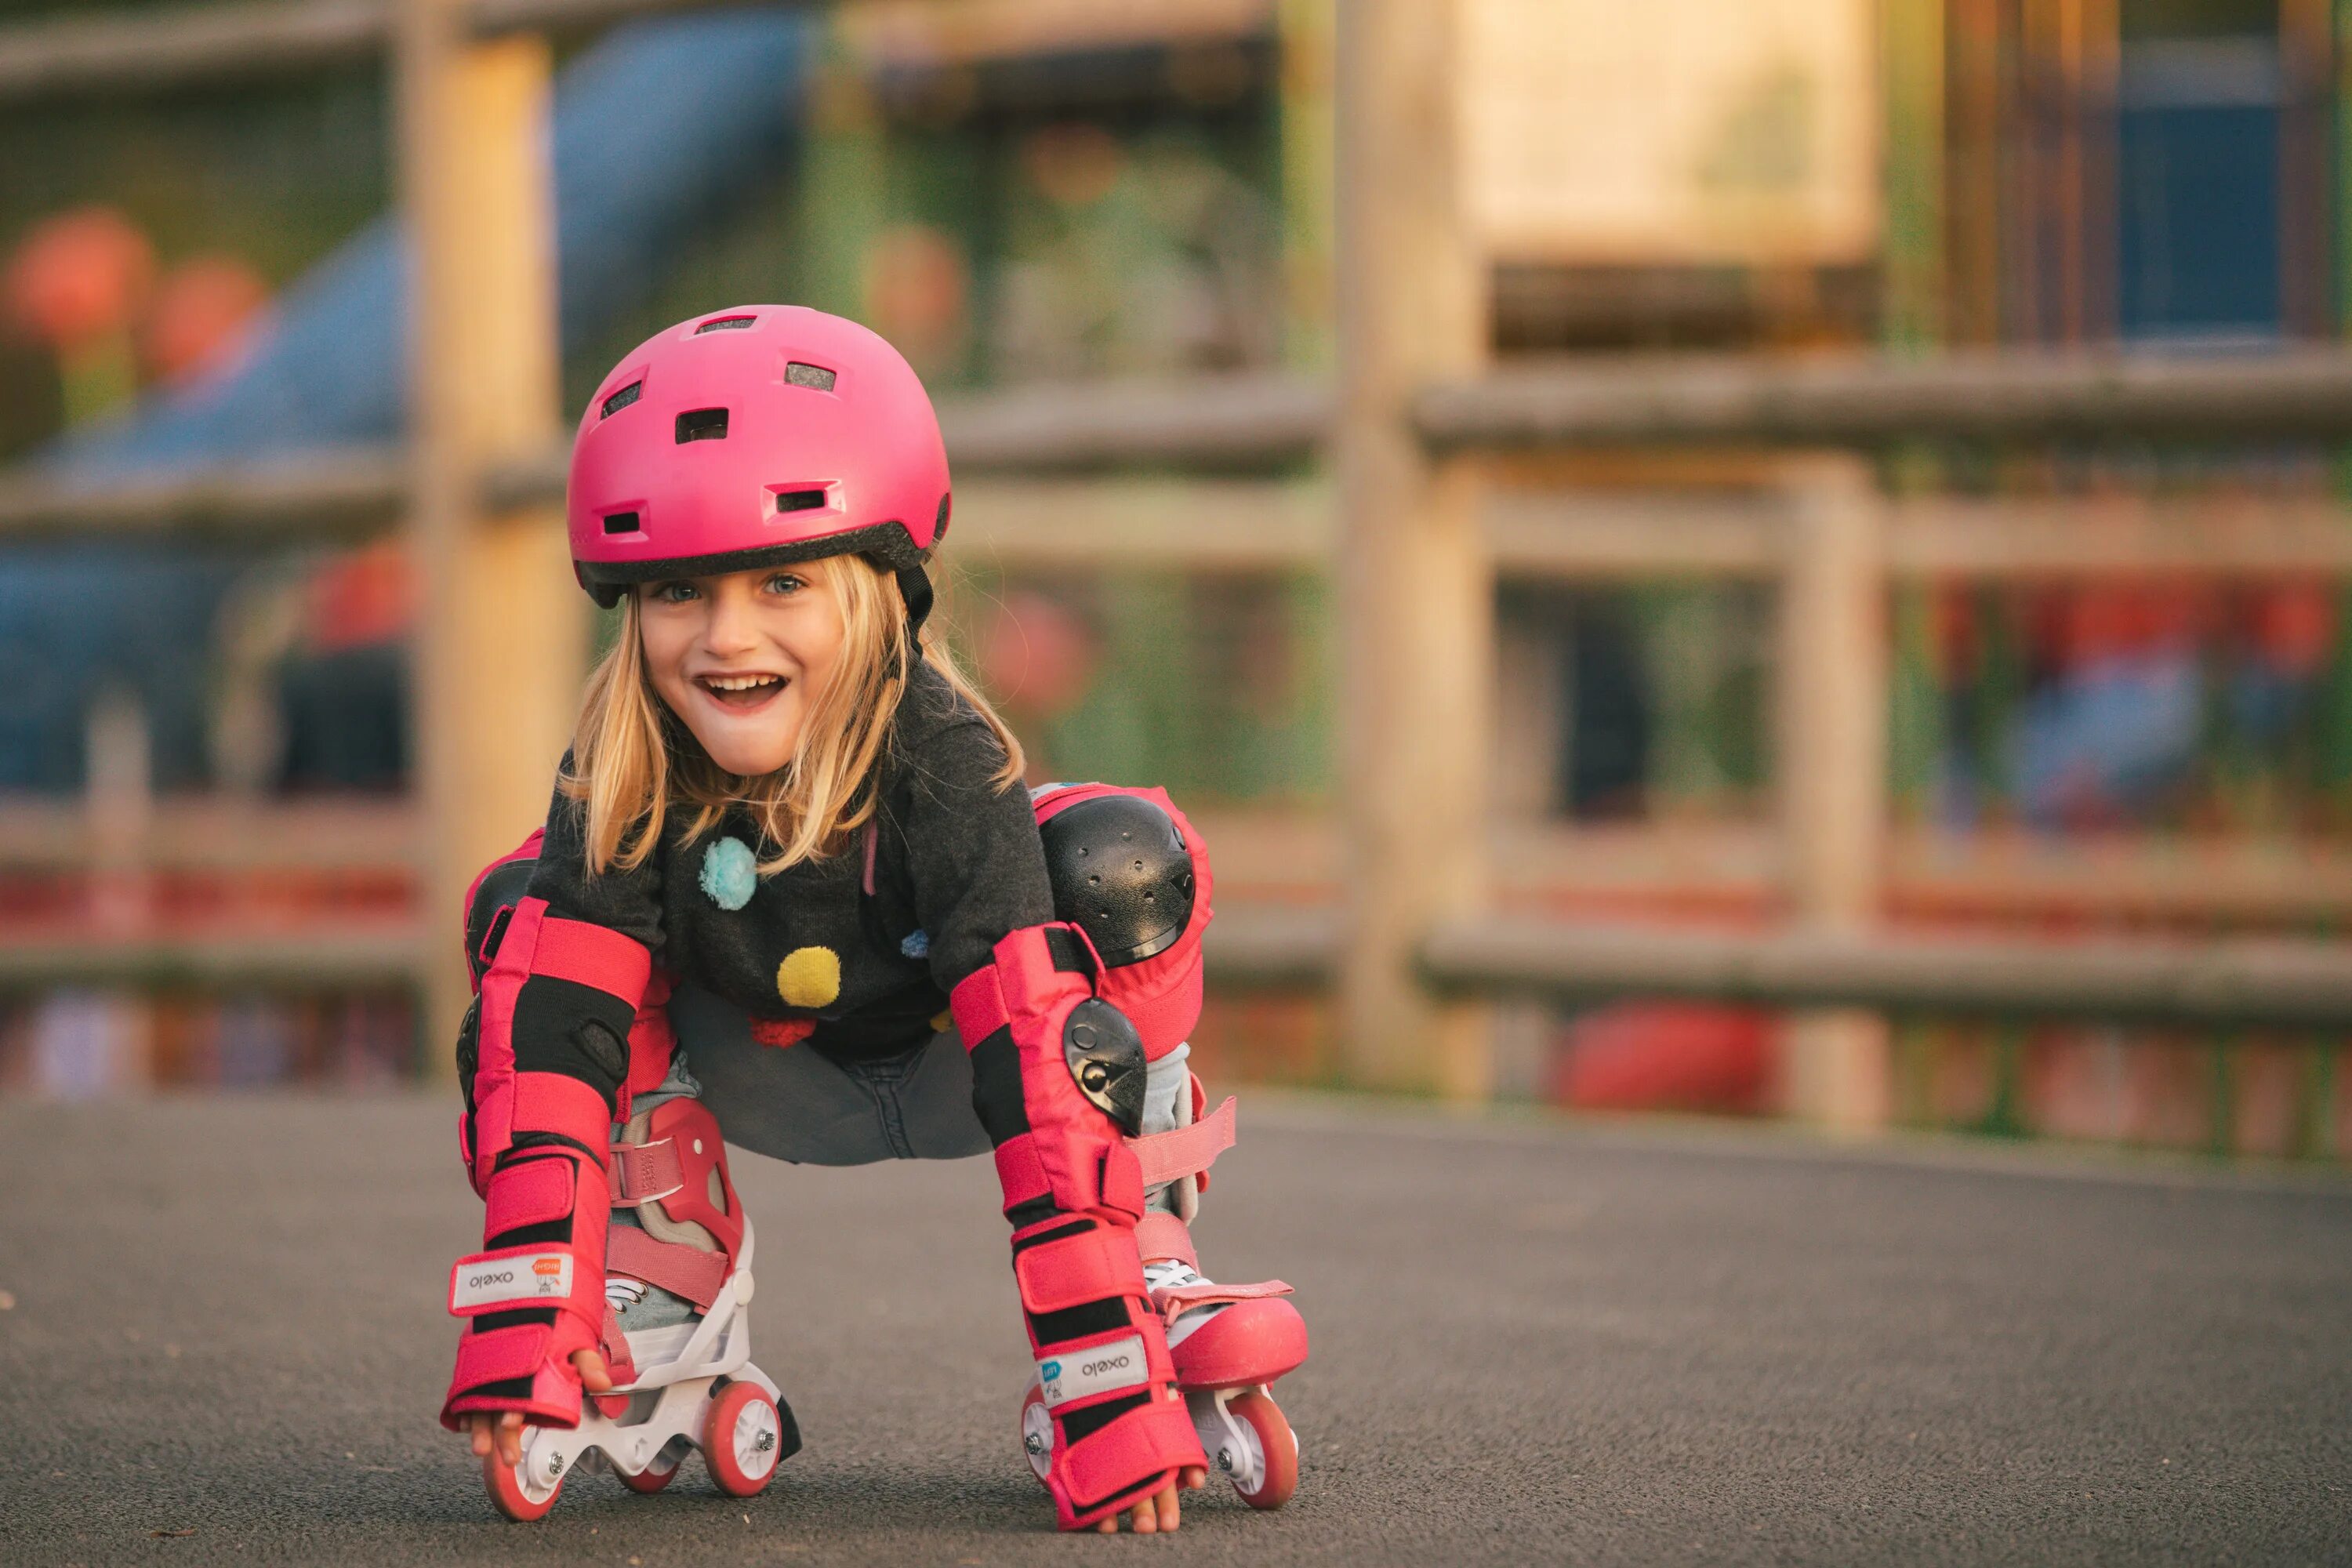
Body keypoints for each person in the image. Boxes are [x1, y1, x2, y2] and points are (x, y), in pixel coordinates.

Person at [438, 306, 1306, 1533]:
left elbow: (1037, 1052)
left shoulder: (943, 758)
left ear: (885, 590)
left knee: (1116, 857)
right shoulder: (621, 769)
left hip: (974, 1069)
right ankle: (658, 1270)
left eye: (783, 580)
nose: (728, 637)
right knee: (528, 925)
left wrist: (1103, 1378)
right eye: (680, 589)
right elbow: (557, 1031)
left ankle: (1148, 1252)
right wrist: (531, 1309)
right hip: (756, 1077)